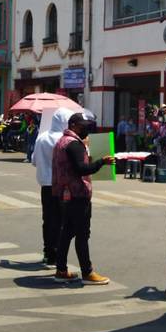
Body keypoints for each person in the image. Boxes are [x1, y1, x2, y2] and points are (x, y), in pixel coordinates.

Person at [53, 112, 115, 285]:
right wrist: (102, 162)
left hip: (65, 194)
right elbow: (82, 169)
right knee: (82, 234)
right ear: (73, 125)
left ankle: (61, 270)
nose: (86, 129)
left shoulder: (62, 141)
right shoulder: (74, 144)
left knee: (67, 232)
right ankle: (87, 272)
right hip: (77, 195)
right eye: (82, 126)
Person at [33, 108, 74, 266]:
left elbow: (34, 160)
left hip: (46, 185)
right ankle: (59, 254)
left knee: (48, 219)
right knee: (63, 220)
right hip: (63, 185)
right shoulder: (67, 140)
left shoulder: (42, 137)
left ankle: (48, 252)